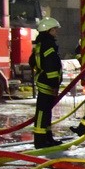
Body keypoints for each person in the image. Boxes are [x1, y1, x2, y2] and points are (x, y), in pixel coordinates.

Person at [31, 17, 63, 149]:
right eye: (54, 30)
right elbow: (52, 67)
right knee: (42, 113)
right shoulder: (48, 45)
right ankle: (40, 141)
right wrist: (54, 85)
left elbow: (31, 61)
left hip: (44, 82)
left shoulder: (40, 44)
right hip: (47, 84)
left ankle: (47, 138)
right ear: (48, 30)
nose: (56, 32)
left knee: (46, 112)